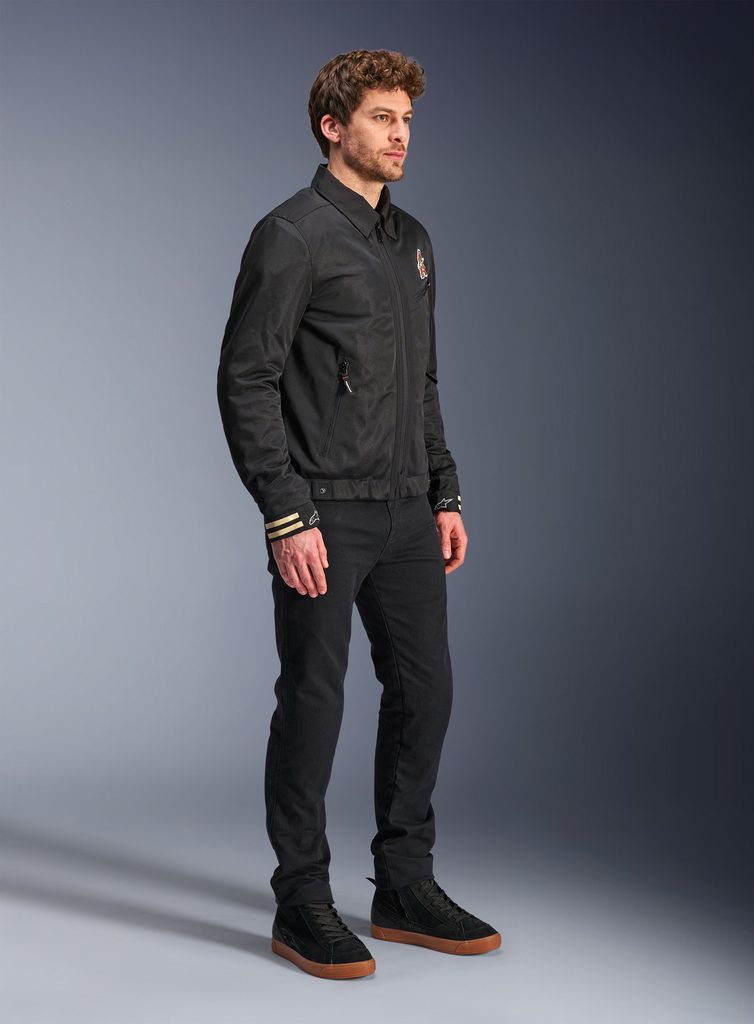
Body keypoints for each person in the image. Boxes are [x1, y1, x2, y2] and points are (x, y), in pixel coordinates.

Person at [217, 48, 501, 979]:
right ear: (333, 127)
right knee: (314, 698)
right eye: (383, 117)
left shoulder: (411, 239)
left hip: (409, 510)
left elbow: (423, 381)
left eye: (408, 120)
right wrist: (285, 513)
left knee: (427, 692)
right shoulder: (291, 235)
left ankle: (403, 885)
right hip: (326, 516)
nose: (402, 135)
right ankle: (301, 898)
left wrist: (444, 489)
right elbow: (245, 379)